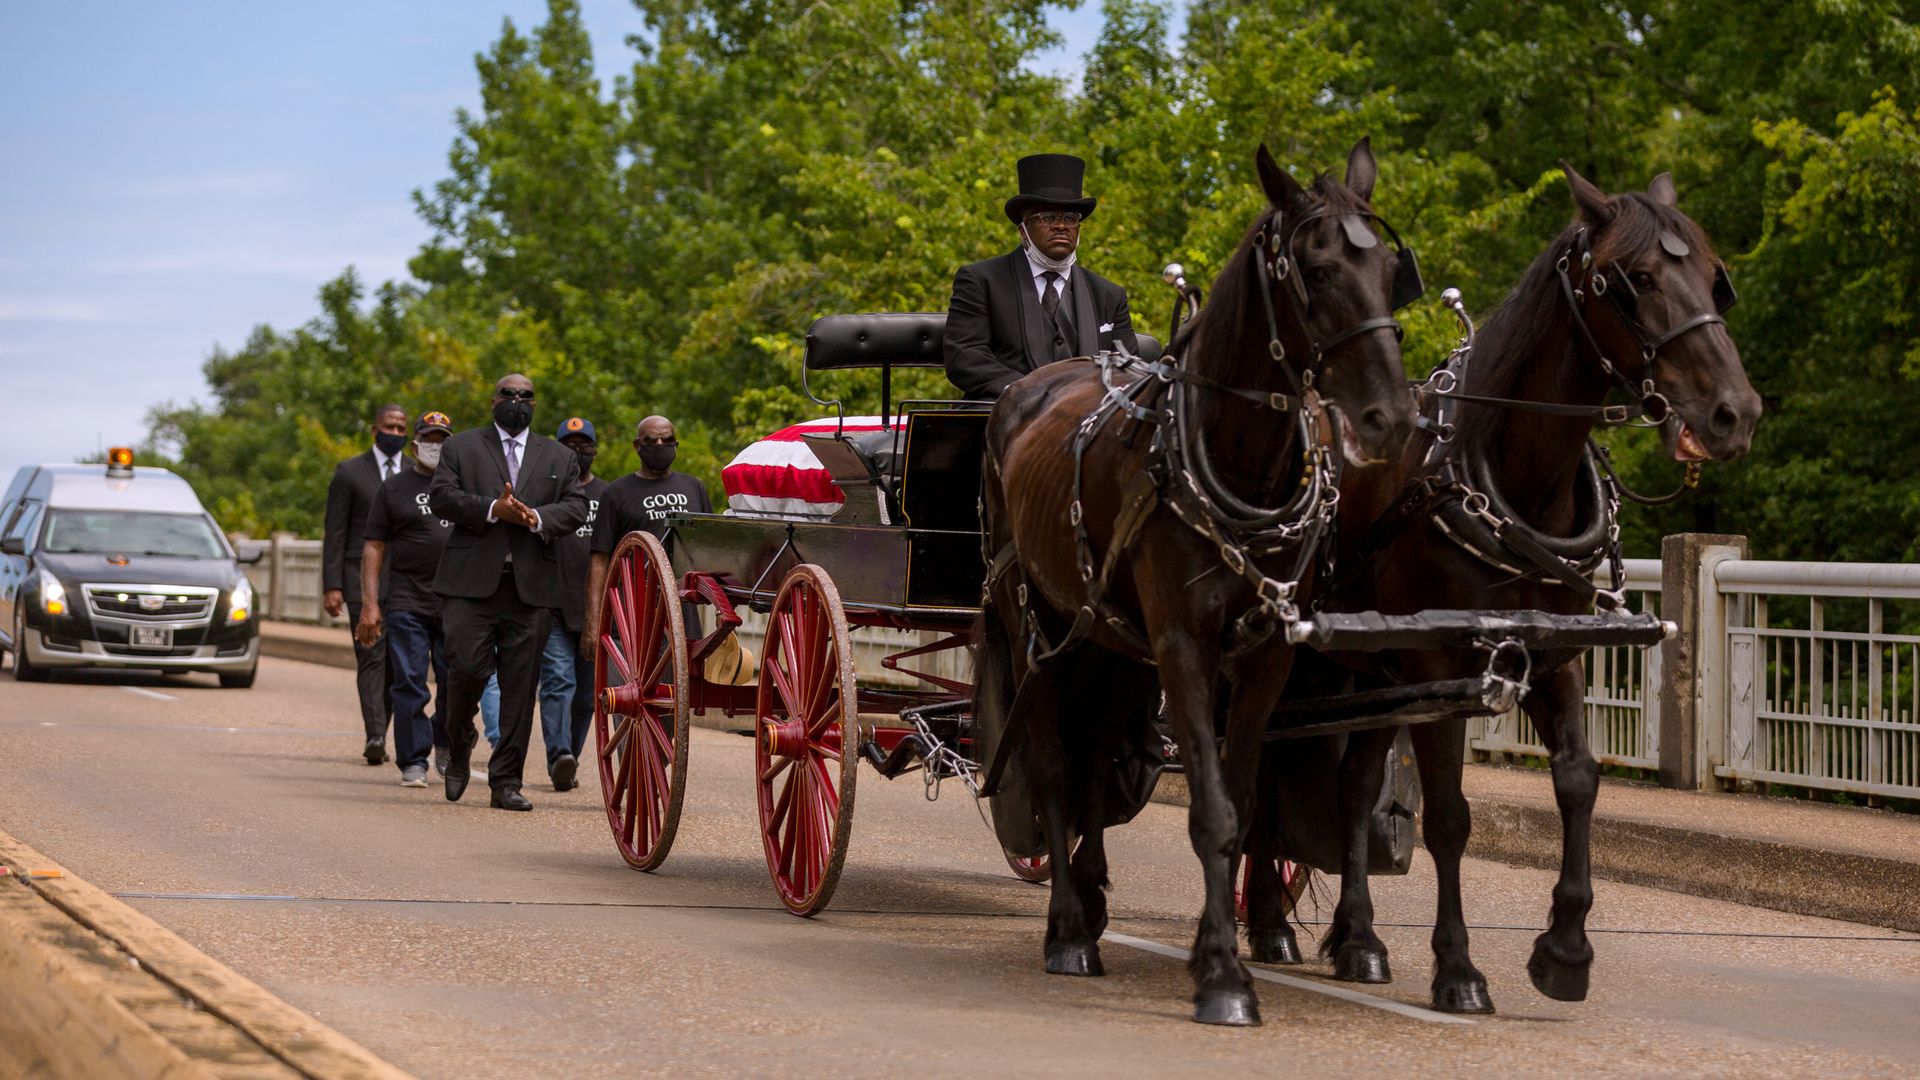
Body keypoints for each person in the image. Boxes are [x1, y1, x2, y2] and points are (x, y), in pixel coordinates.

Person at [429, 375, 587, 811]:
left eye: (526, 396)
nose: (517, 402)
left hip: (531, 589)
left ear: (535, 404)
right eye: (509, 395)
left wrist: (534, 517)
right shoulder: (461, 446)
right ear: (492, 400)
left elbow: (576, 507)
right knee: (464, 670)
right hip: (470, 585)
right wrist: (492, 509)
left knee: (521, 688)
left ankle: (506, 782)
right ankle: (458, 744)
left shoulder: (557, 455)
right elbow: (441, 496)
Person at [943, 153, 1138, 401]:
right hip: (1003, 413)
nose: (1061, 226)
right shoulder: (980, 280)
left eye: (1070, 218)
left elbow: (1128, 367)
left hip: (1087, 419)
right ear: (1023, 229)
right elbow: (965, 357)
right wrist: (1031, 393)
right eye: (1047, 217)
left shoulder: (1109, 294)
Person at [354, 411, 456, 787]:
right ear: (416, 444)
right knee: (410, 681)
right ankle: (414, 760)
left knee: (456, 681)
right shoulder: (394, 488)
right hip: (407, 602)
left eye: (443, 439)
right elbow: (374, 546)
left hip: (458, 602)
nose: (436, 446)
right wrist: (370, 604)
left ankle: (445, 739)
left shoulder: (464, 485)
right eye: (430, 438)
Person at [584, 415, 711, 665]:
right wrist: (593, 621)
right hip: (634, 613)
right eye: (651, 440)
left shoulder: (694, 486)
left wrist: (721, 607)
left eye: (667, 439)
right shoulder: (616, 493)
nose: (660, 444)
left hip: (683, 608)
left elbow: (710, 547)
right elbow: (600, 560)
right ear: (636, 445)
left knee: (685, 693)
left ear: (676, 444)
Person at [323, 403, 409, 765]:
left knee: (395, 664)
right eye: (389, 427)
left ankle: (381, 727)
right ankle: (375, 735)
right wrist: (332, 585)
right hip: (361, 582)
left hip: (404, 582)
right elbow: (335, 531)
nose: (396, 434)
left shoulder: (418, 474)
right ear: (375, 430)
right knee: (371, 658)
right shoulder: (349, 472)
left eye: (402, 428)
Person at [553, 417, 609, 787]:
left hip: (598, 610)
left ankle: (569, 755)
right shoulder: (547, 493)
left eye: (584, 445)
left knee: (587, 697)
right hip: (554, 605)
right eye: (570, 446)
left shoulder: (609, 495)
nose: (578, 452)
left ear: (594, 450)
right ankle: (560, 753)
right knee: (558, 681)